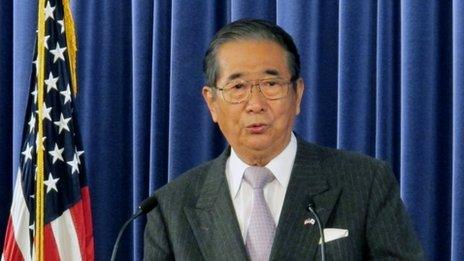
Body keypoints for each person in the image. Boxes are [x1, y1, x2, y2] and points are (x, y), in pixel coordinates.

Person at [143, 19, 423, 260]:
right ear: (212, 103)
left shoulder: (365, 182)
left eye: (271, 84)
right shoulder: (171, 208)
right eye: (238, 87)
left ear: (297, 94)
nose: (255, 103)